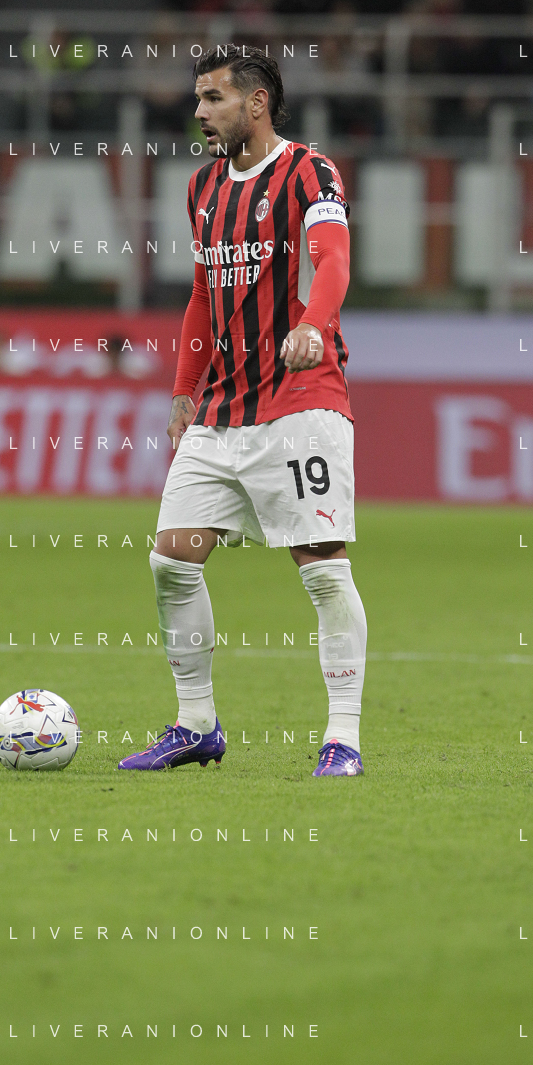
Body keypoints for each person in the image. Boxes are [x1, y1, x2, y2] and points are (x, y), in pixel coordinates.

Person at [118, 44, 367, 779]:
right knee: (171, 559)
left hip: (300, 403)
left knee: (321, 568)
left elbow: (333, 259)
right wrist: (184, 388)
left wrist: (314, 325)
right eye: (199, 99)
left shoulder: (310, 171)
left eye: (214, 98)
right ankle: (196, 724)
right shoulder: (202, 187)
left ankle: (343, 739)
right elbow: (203, 294)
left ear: (256, 103)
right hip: (222, 407)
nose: (200, 112)